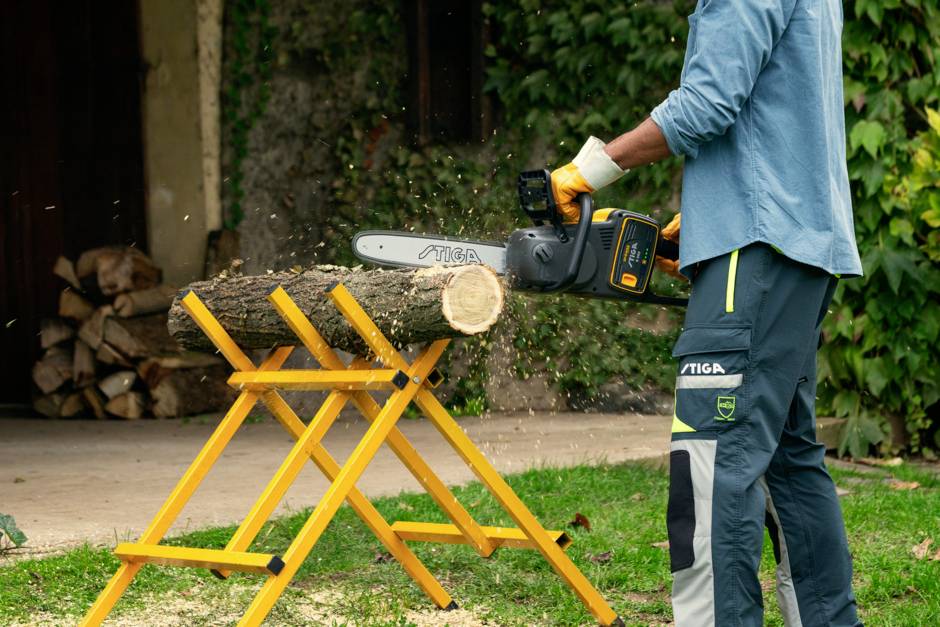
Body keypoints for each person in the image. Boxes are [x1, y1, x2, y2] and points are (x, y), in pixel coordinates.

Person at [551, 1, 863, 626]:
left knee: (712, 462)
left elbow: (706, 104)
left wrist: (591, 168)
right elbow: (782, 110)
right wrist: (712, 216)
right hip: (796, 246)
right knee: (786, 458)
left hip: (757, 248)